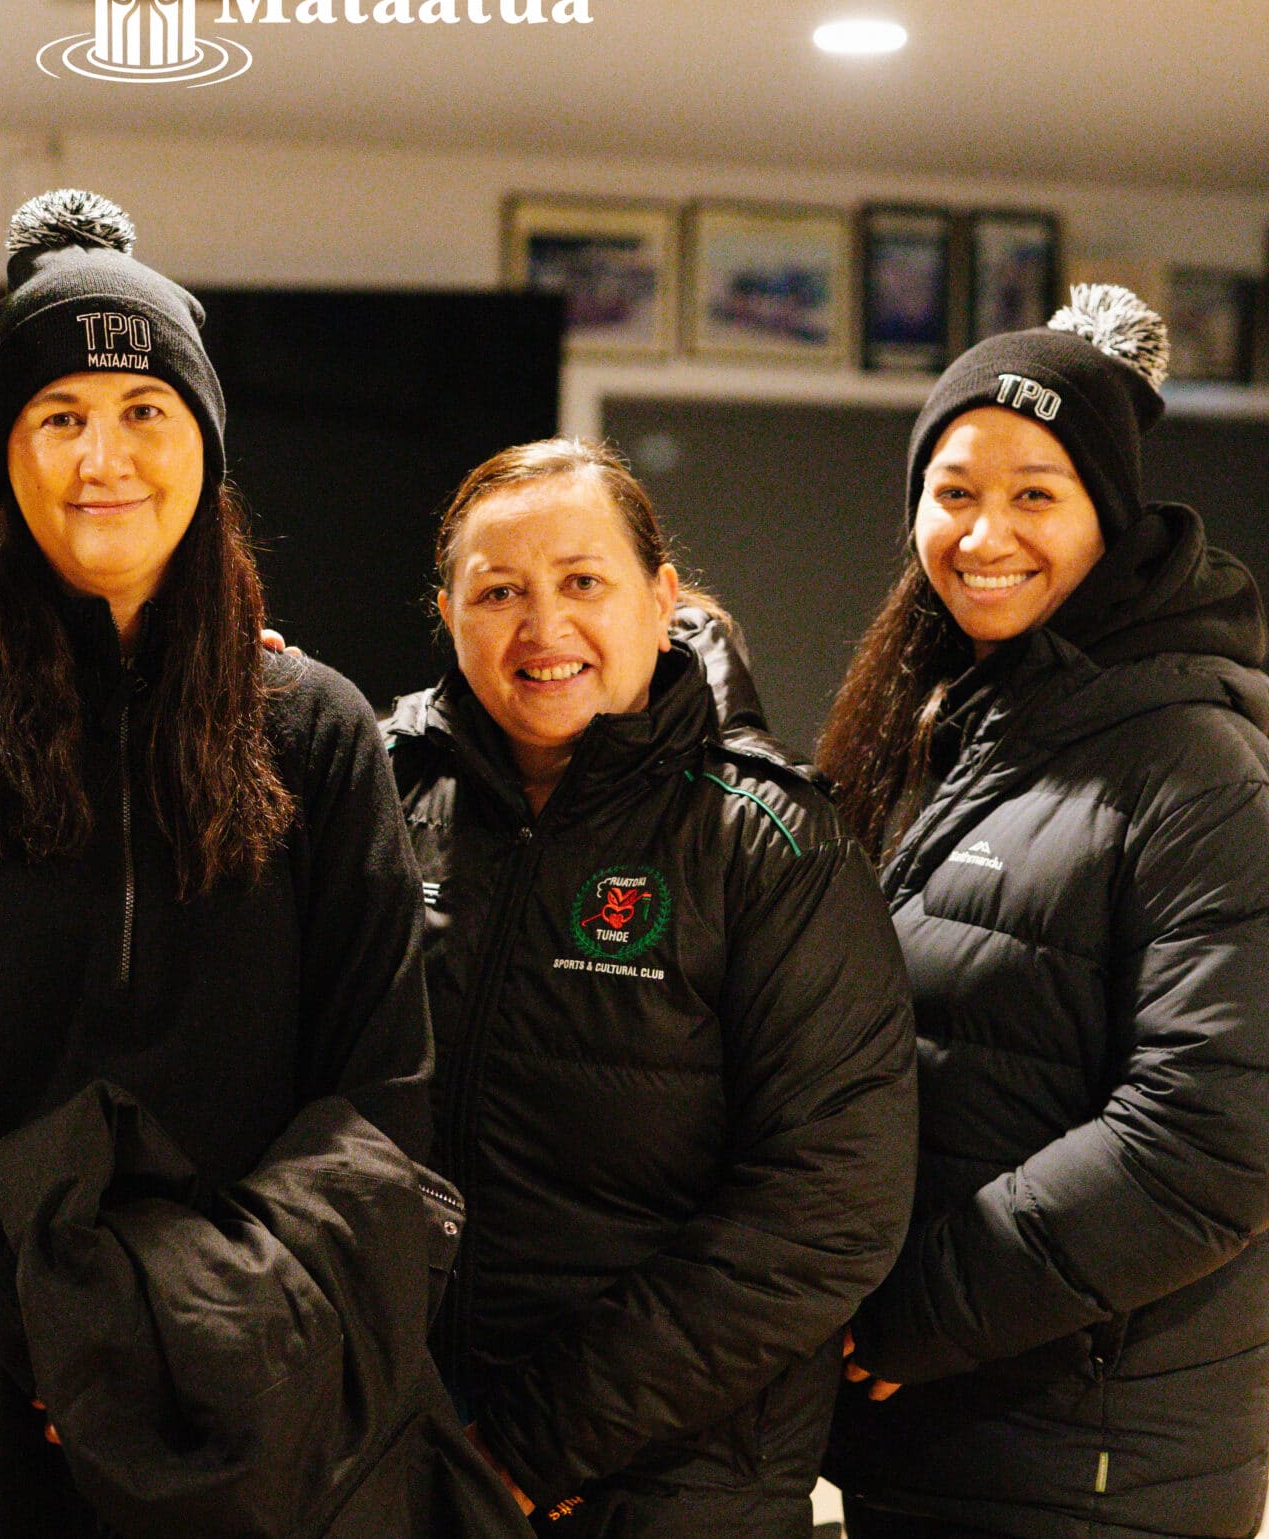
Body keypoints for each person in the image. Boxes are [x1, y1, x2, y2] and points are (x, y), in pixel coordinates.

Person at [0, 190, 511, 1537]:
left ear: (205, 443)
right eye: (59, 416)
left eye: (143, 412)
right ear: (6, 451)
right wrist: (72, 1339)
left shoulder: (316, 725)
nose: (101, 457)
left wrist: (217, 1331)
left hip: (246, 1393)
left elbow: (374, 1088)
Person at [817, 287, 1269, 1539]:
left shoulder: (1205, 774)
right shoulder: (956, 733)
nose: (984, 531)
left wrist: (920, 1310)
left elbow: (1218, 1136)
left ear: (1110, 514)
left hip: (1090, 1472)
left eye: (1034, 493)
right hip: (944, 1434)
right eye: (953, 492)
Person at [383, 436, 919, 1536]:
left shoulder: (770, 841)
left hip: (669, 1484)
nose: (543, 628)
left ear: (661, 598)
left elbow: (830, 1210)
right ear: (447, 613)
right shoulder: (379, 793)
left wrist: (531, 1445)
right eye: (498, 591)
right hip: (405, 1461)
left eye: (583, 582)